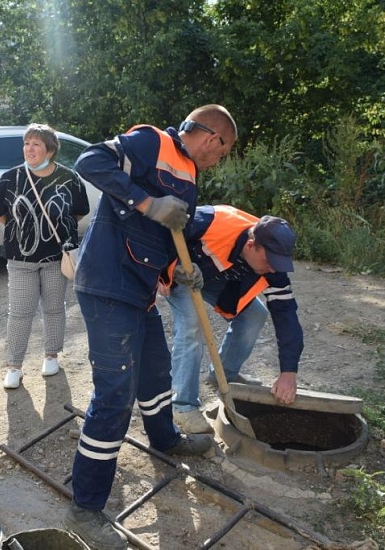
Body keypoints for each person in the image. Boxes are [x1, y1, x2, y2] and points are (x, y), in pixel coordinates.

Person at [64, 105, 237, 550]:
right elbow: (90, 162)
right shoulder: (152, 142)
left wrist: (182, 271)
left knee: (156, 373)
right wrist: (146, 202)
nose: (220, 160)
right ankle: (85, 505)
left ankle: (165, 439)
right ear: (212, 139)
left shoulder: (191, 177)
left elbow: (167, 238)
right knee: (115, 395)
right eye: (223, 151)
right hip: (106, 284)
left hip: (139, 291)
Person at [163, 205, 303, 434]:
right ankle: (183, 405)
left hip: (216, 277)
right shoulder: (211, 221)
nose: (272, 268)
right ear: (251, 245)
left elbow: (287, 315)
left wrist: (289, 372)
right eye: (270, 261)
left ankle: (223, 375)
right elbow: (161, 233)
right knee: (191, 324)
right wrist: (168, 268)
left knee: (255, 314)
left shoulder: (273, 266)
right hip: (184, 274)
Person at [0, 123, 90, 390]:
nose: (29, 149)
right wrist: (22, 233)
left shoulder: (69, 179)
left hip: (57, 257)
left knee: (55, 308)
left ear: (50, 150)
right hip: (20, 259)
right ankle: (14, 366)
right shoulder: (9, 178)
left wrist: (54, 230)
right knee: (20, 312)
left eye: (36, 144)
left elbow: (78, 212)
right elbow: (0, 213)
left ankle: (51, 355)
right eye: (26, 143)